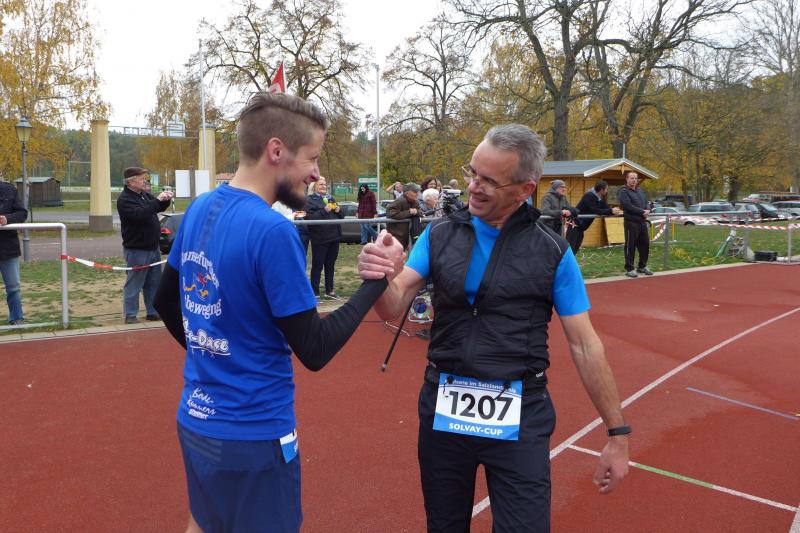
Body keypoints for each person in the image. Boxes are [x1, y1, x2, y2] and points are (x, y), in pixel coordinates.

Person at [358, 124, 630, 532]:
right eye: (472, 173)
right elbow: (394, 304)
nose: (474, 187)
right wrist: (380, 274)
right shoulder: (439, 234)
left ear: (525, 189)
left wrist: (617, 434)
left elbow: (585, 345)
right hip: (444, 408)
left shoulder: (552, 251)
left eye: (489, 180)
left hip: (520, 413)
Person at [153, 92, 398, 533]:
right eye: (312, 157)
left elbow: (163, 301)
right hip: (254, 433)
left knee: (205, 523)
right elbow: (315, 349)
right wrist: (377, 282)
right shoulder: (273, 232)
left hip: (196, 418)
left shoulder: (200, 207)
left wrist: (213, 356)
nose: (316, 172)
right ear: (276, 150)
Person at [116, 166, 173, 324]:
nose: (145, 181)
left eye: (144, 178)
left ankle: (152, 312)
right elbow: (140, 215)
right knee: (135, 282)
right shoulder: (125, 200)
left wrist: (165, 200)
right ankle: (130, 314)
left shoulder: (144, 195)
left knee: (154, 282)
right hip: (137, 249)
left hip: (153, 247)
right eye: (141, 179)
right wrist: (157, 201)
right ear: (131, 182)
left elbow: (156, 207)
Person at [305, 177, 344, 299]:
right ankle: (314, 292)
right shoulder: (309, 200)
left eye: (325, 184)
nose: (324, 186)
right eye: (321, 184)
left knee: (330, 265)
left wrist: (339, 210)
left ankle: (329, 291)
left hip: (334, 236)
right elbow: (309, 218)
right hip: (320, 238)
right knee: (317, 265)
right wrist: (324, 210)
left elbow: (341, 216)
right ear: (314, 187)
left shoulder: (330, 198)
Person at [567, 180, 622, 253]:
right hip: (575, 225)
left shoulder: (598, 197)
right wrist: (611, 211)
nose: (607, 191)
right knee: (569, 249)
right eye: (606, 189)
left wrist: (615, 211)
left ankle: (569, 261)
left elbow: (605, 207)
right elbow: (596, 210)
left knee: (575, 249)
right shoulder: (589, 196)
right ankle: (562, 261)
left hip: (580, 227)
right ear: (601, 190)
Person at [0, 178, 27, 325]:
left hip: (8, 247)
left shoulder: (10, 190)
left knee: (13, 287)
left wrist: (7, 219)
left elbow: (22, 213)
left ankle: (16, 318)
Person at [617, 170, 652, 277]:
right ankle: (629, 268)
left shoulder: (640, 190)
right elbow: (627, 206)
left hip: (642, 222)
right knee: (630, 246)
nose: (634, 180)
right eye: (632, 178)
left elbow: (646, 202)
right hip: (631, 223)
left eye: (635, 178)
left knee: (645, 244)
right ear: (627, 179)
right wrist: (642, 212)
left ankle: (642, 266)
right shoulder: (623, 191)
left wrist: (648, 209)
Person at [386, 182, 421, 249]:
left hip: (406, 236)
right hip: (397, 236)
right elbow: (390, 213)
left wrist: (416, 211)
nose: (417, 193)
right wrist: (409, 212)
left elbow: (421, 213)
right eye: (415, 192)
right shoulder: (399, 201)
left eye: (417, 191)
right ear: (407, 193)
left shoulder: (415, 202)